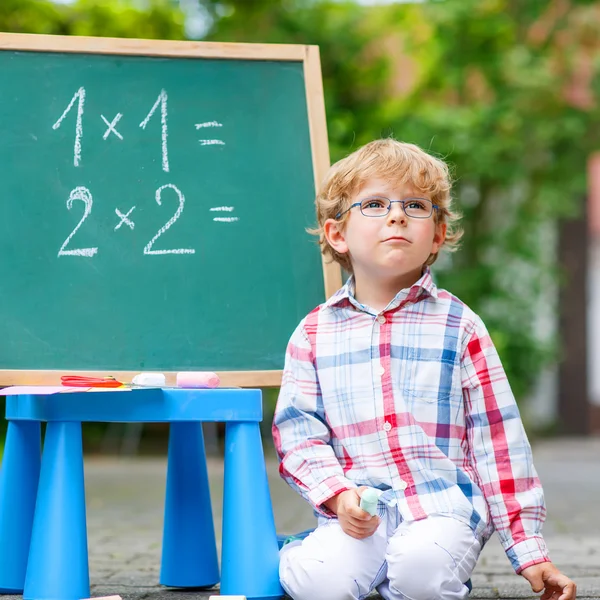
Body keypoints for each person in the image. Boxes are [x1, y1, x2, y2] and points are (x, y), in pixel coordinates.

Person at [272, 139, 576, 600]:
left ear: (435, 235)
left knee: (421, 572)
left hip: (442, 511)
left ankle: (407, 575)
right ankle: (304, 551)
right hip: (359, 513)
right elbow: (298, 433)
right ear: (337, 234)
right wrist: (337, 495)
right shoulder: (314, 333)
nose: (396, 216)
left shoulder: (460, 327)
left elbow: (498, 442)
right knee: (319, 581)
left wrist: (529, 551)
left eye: (415, 206)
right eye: (374, 204)